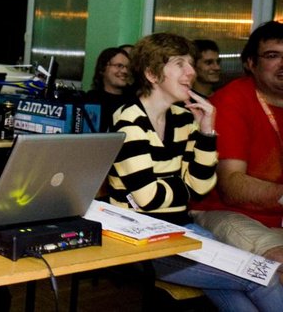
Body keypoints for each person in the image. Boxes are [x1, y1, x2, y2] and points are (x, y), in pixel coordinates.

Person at [108, 32, 283, 311]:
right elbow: (149, 199)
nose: (191, 72)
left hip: (181, 230)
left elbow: (200, 187)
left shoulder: (182, 118)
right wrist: (184, 186)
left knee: (243, 290)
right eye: (179, 64)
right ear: (152, 74)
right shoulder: (128, 120)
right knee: (261, 276)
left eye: (190, 63)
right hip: (139, 240)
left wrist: (206, 131)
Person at [191, 22, 283, 267]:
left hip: (277, 217)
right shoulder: (232, 100)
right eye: (272, 56)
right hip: (225, 211)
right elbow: (231, 186)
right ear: (250, 63)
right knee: (278, 262)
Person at [86, 47, 132, 131]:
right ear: (102, 68)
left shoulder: (134, 101)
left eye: (127, 67)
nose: (125, 71)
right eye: (119, 66)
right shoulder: (90, 100)